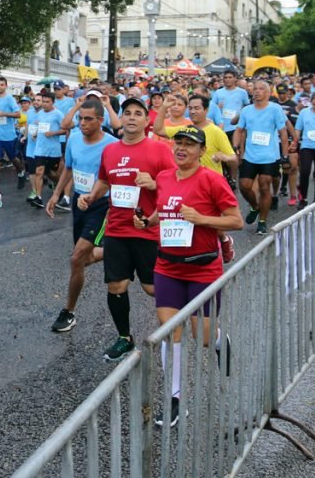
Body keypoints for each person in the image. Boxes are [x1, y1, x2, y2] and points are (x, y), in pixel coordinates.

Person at [133, 127, 242, 427]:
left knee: (202, 336)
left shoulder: (212, 180)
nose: (181, 148)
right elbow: (162, 211)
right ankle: (175, 399)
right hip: (168, 267)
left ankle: (220, 340)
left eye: (189, 145)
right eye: (178, 143)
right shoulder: (165, 177)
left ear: (201, 151)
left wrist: (201, 218)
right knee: (171, 332)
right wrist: (147, 221)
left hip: (203, 268)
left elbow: (236, 220)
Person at [70, 98, 175, 362]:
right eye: (126, 113)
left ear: (146, 121)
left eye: (138, 113)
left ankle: (182, 314)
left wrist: (153, 184)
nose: (131, 117)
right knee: (116, 285)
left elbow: (176, 185)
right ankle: (124, 338)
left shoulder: (159, 150)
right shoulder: (111, 151)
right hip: (117, 227)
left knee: (151, 288)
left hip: (147, 228)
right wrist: (92, 196)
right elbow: (105, 179)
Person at [46, 98, 117, 330]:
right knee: (82, 260)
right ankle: (115, 250)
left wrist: (94, 196)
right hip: (79, 202)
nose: (83, 123)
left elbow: (113, 179)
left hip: (102, 206)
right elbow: (68, 167)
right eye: (80, 118)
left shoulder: (112, 145)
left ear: (100, 120)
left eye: (88, 119)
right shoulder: (74, 138)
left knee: (76, 258)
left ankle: (68, 312)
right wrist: (56, 195)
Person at [233, 80, 288, 235]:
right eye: (255, 89)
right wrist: (235, 147)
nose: (256, 91)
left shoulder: (275, 109)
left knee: (264, 185)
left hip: (269, 156)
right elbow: (239, 130)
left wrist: (285, 155)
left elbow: (283, 133)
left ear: (268, 93)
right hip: (250, 156)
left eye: (260, 89)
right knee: (244, 185)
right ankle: (255, 206)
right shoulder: (247, 110)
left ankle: (262, 221)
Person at [0, 77, 24, 203]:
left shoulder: (9, 99)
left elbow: (18, 114)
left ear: (6, 86)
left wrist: (4, 113)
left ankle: (21, 172)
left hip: (8, 135)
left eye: (2, 84)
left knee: (13, 158)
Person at [29, 90, 66, 209]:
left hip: (53, 150)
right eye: (43, 102)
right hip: (40, 148)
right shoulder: (40, 113)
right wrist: (35, 134)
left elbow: (65, 129)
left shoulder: (58, 114)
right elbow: (40, 126)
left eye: (47, 102)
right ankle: (38, 198)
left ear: (52, 102)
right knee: (39, 171)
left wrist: (54, 133)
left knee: (51, 173)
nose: (44, 104)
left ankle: (60, 187)